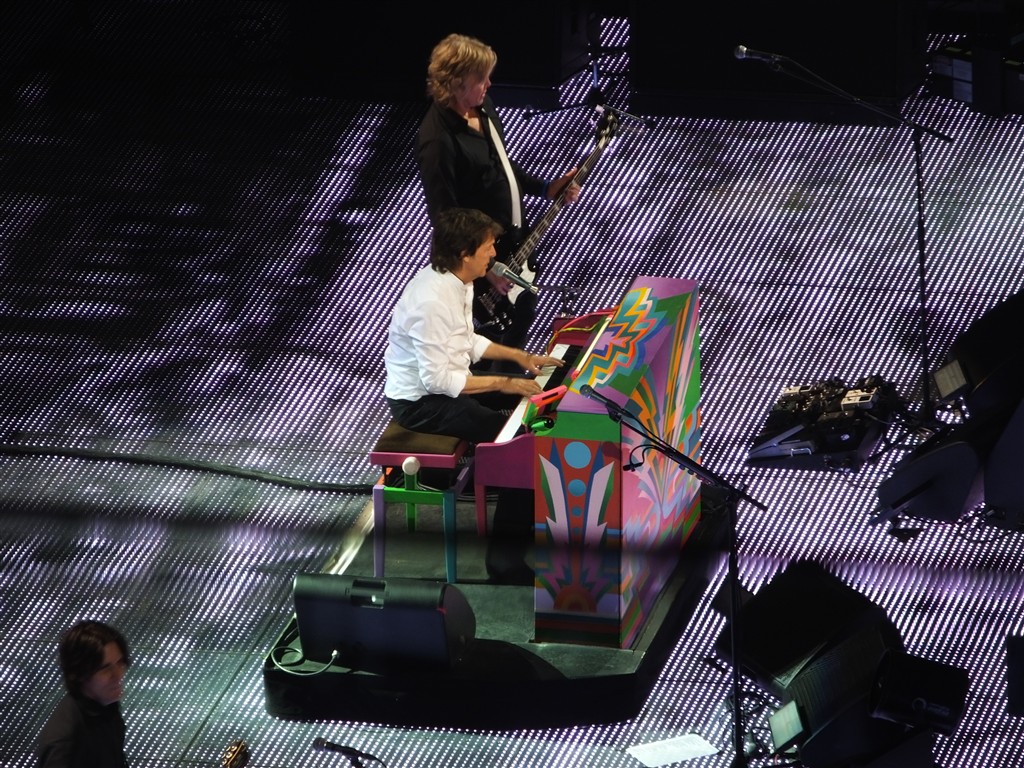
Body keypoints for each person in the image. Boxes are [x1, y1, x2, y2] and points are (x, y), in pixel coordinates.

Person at [384, 207, 563, 582]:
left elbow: (468, 342)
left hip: (450, 384)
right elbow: (437, 381)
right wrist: (502, 383)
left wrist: (520, 358)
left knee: (536, 402)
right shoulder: (431, 302)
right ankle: (504, 562)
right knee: (518, 446)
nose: (495, 254)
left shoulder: (458, 282)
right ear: (465, 253)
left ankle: (533, 522)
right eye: (488, 247)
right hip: (421, 404)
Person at [415, 32, 581, 352]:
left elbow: (501, 165)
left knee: (520, 324)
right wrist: (487, 266)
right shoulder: (437, 141)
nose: (489, 84)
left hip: (514, 244)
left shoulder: (482, 107)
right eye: (481, 79)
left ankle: (512, 382)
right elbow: (445, 217)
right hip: (481, 262)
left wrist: (545, 188)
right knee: (487, 347)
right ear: (457, 83)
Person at [38, 620, 131, 768]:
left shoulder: (105, 708)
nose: (118, 675)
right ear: (80, 674)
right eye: (106, 668)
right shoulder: (66, 742)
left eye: (119, 663)